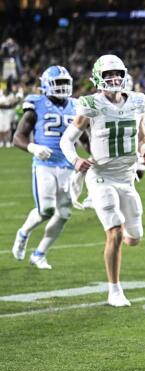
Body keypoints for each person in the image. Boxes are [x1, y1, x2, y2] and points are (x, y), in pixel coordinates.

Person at [60, 54, 145, 307]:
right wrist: (76, 160)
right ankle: (115, 290)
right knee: (115, 230)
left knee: (134, 238)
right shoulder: (90, 104)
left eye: (118, 74)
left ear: (124, 76)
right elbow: (66, 140)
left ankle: (107, 212)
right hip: (100, 175)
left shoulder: (136, 101)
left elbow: (142, 135)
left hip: (127, 177)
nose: (114, 79)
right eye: (109, 75)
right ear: (98, 78)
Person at [11, 65, 77, 269]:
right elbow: (18, 137)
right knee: (47, 210)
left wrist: (95, 155)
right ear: (46, 85)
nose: (63, 88)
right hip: (44, 164)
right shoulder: (36, 104)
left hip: (68, 164)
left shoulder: (76, 106)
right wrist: (33, 147)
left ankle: (40, 254)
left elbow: (83, 135)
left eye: (65, 83)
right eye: (58, 83)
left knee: (64, 213)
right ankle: (23, 233)